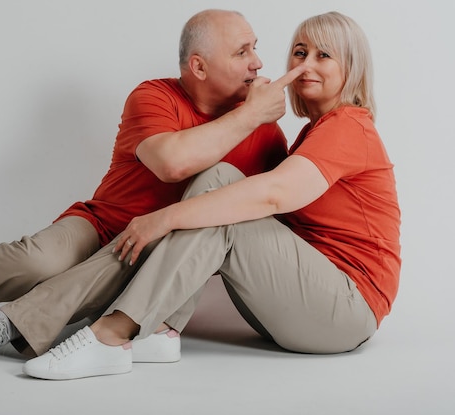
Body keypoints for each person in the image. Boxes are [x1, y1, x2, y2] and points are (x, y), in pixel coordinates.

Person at [0, 9, 300, 372]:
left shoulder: (264, 132)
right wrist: (251, 116)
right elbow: (171, 162)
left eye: (256, 48)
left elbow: (268, 209)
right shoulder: (155, 96)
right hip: (100, 225)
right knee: (37, 260)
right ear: (198, 66)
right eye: (243, 51)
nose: (259, 63)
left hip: (156, 252)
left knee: (100, 289)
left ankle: (5, 327)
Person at [22, 11, 402, 381]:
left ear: (351, 67)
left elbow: (274, 195)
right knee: (219, 178)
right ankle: (157, 330)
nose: (306, 65)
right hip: (303, 304)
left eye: (324, 55)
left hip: (348, 310)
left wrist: (165, 217)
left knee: (223, 201)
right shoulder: (312, 134)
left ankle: (112, 334)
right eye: (300, 52)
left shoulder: (349, 126)